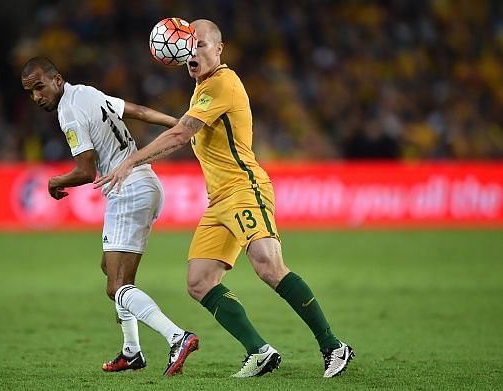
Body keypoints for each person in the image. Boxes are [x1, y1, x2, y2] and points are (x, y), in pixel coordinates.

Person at [94, 20, 355, 378]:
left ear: (219, 49)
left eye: (200, 44)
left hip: (245, 188)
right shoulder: (202, 88)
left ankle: (334, 346)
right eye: (188, 44)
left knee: (268, 264)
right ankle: (259, 351)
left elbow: (181, 134)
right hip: (219, 201)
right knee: (199, 282)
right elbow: (185, 125)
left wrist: (131, 160)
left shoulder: (222, 83)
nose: (192, 50)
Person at [20, 57, 198, 376]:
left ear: (57, 80)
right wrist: (180, 124)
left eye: (39, 88)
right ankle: (132, 353)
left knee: (117, 287)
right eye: (30, 93)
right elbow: (139, 112)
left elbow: (86, 171)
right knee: (110, 269)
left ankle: (177, 337)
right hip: (144, 182)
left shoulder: (69, 112)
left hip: (126, 190)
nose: (36, 97)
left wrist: (54, 181)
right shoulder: (88, 92)